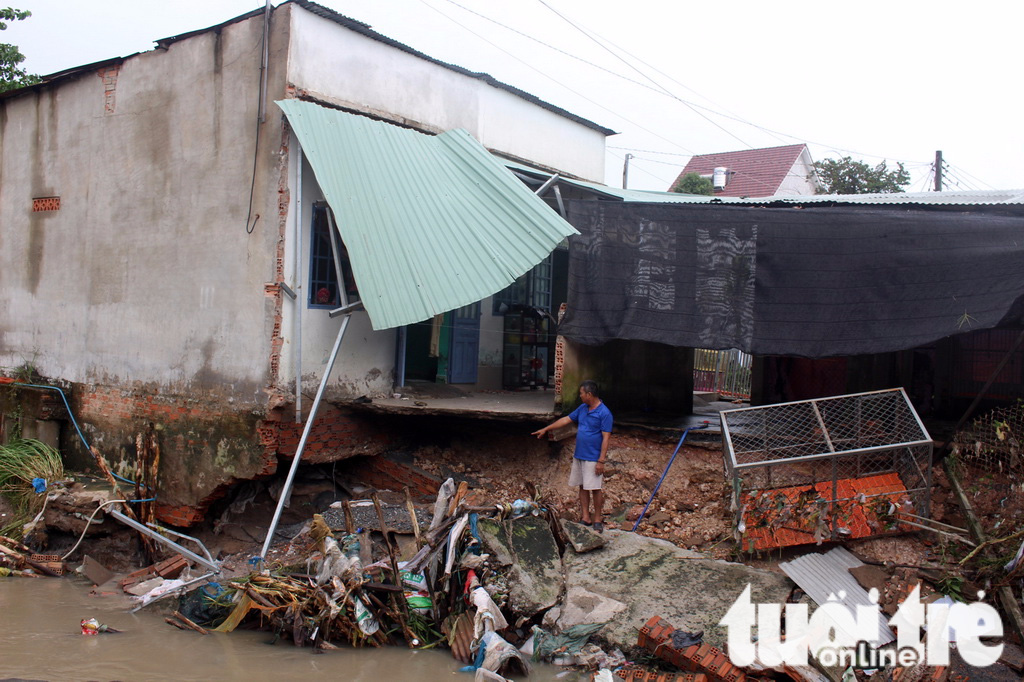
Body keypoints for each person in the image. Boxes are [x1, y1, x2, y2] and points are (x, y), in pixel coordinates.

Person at [532, 380, 613, 531]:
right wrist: (546, 428)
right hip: (580, 455)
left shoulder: (604, 413)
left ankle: (597, 519)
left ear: (589, 394)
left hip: (593, 457)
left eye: (581, 394)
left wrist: (601, 460)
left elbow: (606, 438)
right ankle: (585, 517)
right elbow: (566, 420)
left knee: (595, 488)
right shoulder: (583, 408)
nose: (580, 396)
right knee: (582, 486)